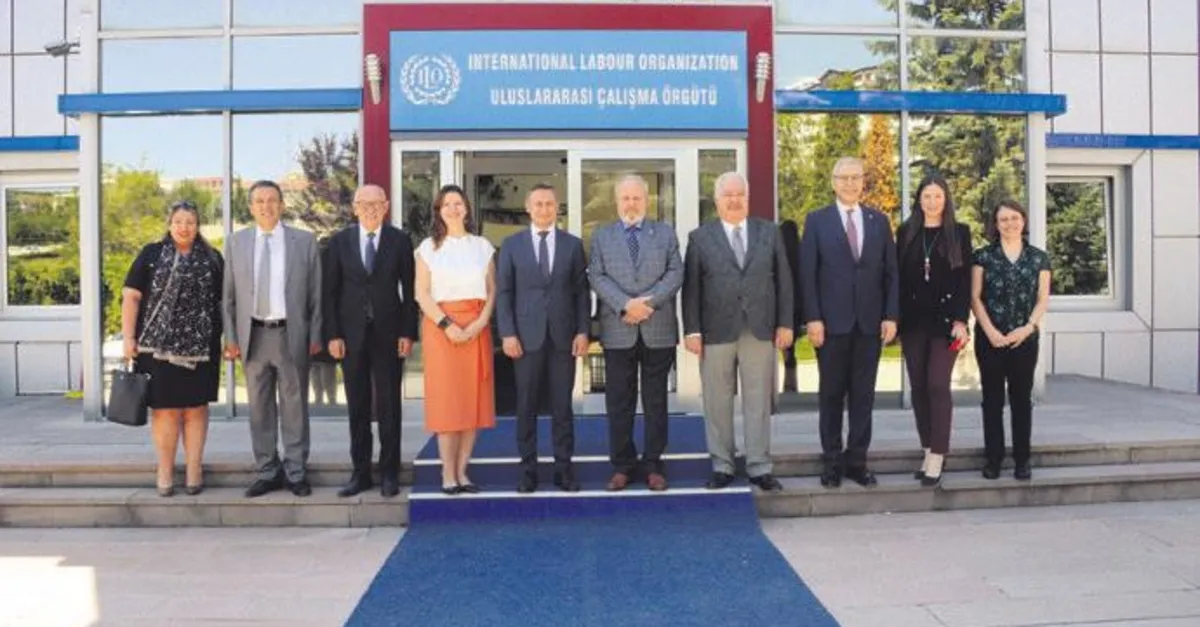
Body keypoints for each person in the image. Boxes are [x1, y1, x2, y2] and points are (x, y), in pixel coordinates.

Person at [682, 172, 793, 492]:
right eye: (727, 195)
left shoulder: (769, 232)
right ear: (717, 201)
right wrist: (692, 330)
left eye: (739, 194)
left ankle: (759, 466)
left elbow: (784, 281)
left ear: (747, 197)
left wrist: (785, 322)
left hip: (759, 328)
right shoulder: (700, 238)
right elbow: (692, 288)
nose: (734, 200)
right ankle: (723, 464)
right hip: (715, 329)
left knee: (758, 401)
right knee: (717, 400)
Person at [800, 156, 899, 489]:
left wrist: (891, 315)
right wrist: (812, 318)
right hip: (830, 326)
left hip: (869, 325)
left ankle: (857, 462)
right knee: (830, 397)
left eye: (855, 177)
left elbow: (891, 273)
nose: (850, 183)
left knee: (863, 398)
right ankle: (831, 463)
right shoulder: (817, 221)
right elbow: (808, 275)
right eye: (843, 178)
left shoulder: (879, 221)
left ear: (863, 181)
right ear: (833, 182)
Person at [222, 180, 323, 498]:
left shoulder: (304, 241)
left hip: (290, 334)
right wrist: (231, 337)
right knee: (259, 408)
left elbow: (316, 295)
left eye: (271, 200)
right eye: (259, 201)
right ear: (251, 207)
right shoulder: (236, 243)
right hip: (253, 336)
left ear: (282, 205)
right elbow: (228, 297)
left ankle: (296, 472)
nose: (266, 206)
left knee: (294, 407)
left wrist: (315, 335)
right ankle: (267, 471)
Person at [121, 200, 223, 497]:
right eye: (178, 221)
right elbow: (131, 297)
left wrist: (232, 339)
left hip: (201, 348)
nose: (184, 227)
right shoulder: (151, 254)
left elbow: (224, 302)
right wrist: (128, 338)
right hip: (156, 350)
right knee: (165, 412)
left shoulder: (213, 258)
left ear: (198, 226)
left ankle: (194, 470)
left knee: (196, 410)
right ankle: (165, 470)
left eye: (190, 222)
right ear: (169, 224)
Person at [588, 174, 684, 492]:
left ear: (647, 200)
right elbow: (596, 276)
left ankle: (654, 464)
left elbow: (676, 273)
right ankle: (622, 465)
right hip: (618, 329)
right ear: (617, 201)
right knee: (619, 401)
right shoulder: (602, 236)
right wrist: (625, 305)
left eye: (637, 198)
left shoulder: (665, 233)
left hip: (658, 328)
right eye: (625, 198)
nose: (631, 204)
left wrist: (647, 304)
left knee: (656, 401)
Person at [324, 184, 417, 498]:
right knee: (358, 406)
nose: (370, 209)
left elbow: (410, 291)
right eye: (364, 203)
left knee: (390, 406)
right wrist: (333, 335)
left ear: (386, 206)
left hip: (389, 335)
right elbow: (329, 293)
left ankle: (390, 472)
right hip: (350, 337)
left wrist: (407, 332)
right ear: (354, 207)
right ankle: (360, 473)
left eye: (377, 203)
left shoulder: (400, 241)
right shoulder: (339, 242)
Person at [497, 183, 590, 493]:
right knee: (526, 406)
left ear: (557, 207)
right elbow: (504, 293)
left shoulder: (573, 245)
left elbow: (581, 293)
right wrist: (507, 333)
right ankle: (528, 471)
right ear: (528, 208)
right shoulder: (511, 245)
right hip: (525, 339)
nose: (544, 209)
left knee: (562, 407)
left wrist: (583, 331)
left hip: (564, 338)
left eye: (549, 204)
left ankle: (564, 470)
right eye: (538, 204)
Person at [414, 184, 497, 495]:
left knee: (471, 404)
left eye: (458, 203)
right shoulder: (427, 248)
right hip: (441, 331)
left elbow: (492, 290)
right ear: (438, 211)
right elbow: (421, 293)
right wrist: (447, 325)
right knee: (448, 404)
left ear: (467, 208)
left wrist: (480, 323)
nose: (453, 209)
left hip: (476, 328)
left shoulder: (482, 246)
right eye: (446, 204)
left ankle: (463, 472)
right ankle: (447, 474)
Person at [896, 175, 973, 487]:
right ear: (919, 200)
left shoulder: (959, 232)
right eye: (926, 196)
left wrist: (961, 320)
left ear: (946, 199)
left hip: (946, 323)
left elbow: (965, 280)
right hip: (913, 321)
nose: (932, 202)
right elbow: (898, 278)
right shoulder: (906, 232)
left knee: (937, 385)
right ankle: (927, 449)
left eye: (937, 196)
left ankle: (939, 454)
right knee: (918, 387)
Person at [971, 200, 1050, 481]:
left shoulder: (1038, 258)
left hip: (1024, 341)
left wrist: (1027, 328)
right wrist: (990, 331)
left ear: (1023, 221)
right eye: (1003, 219)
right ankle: (993, 459)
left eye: (1014, 218)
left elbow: (1043, 299)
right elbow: (975, 297)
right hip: (990, 340)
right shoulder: (982, 256)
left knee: (1021, 400)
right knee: (992, 401)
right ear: (996, 224)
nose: (1010, 224)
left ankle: (1022, 460)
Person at [778, 219, 803, 393]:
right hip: (800, 306)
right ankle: (791, 383)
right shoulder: (802, 252)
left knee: (787, 349)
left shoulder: (781, 255)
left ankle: (789, 383)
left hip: (786, 306)